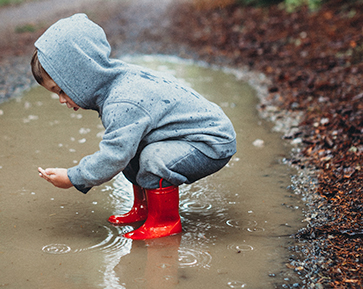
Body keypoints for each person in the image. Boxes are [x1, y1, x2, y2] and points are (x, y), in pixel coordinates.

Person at [33, 14, 236, 240]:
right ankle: (144, 209)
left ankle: (164, 221)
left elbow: (113, 157)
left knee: (152, 157)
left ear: (81, 75)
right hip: (187, 136)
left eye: (61, 90)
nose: (61, 100)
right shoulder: (113, 82)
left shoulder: (122, 101)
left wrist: (73, 177)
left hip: (211, 141)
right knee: (134, 147)